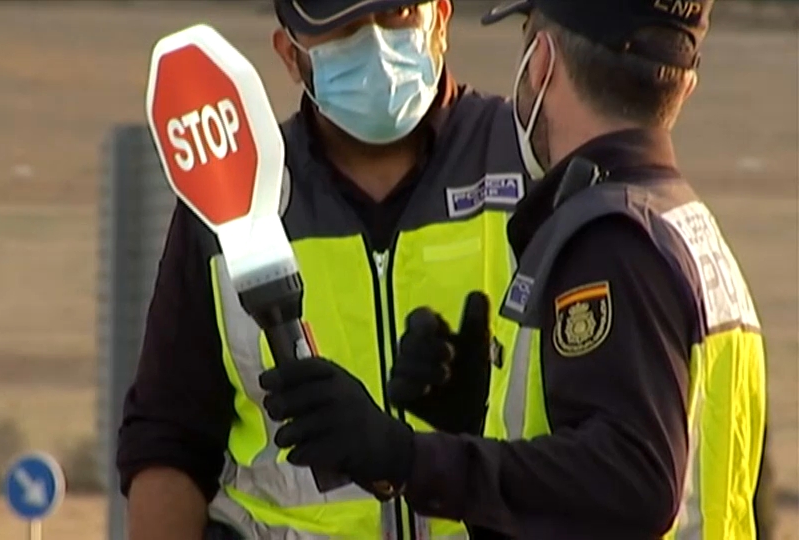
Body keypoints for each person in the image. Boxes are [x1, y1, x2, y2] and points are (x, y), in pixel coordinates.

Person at [259, 0, 769, 538]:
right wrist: (475, 421)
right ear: (682, 84)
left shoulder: (611, 238)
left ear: (541, 61)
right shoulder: (680, 223)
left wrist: (406, 457)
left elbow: (633, 482)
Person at [116, 0, 528, 537]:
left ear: (442, 20)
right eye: (345, 29)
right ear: (291, 55)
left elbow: (602, 440)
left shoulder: (527, 162)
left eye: (398, 15)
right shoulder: (232, 196)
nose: (378, 46)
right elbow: (167, 439)